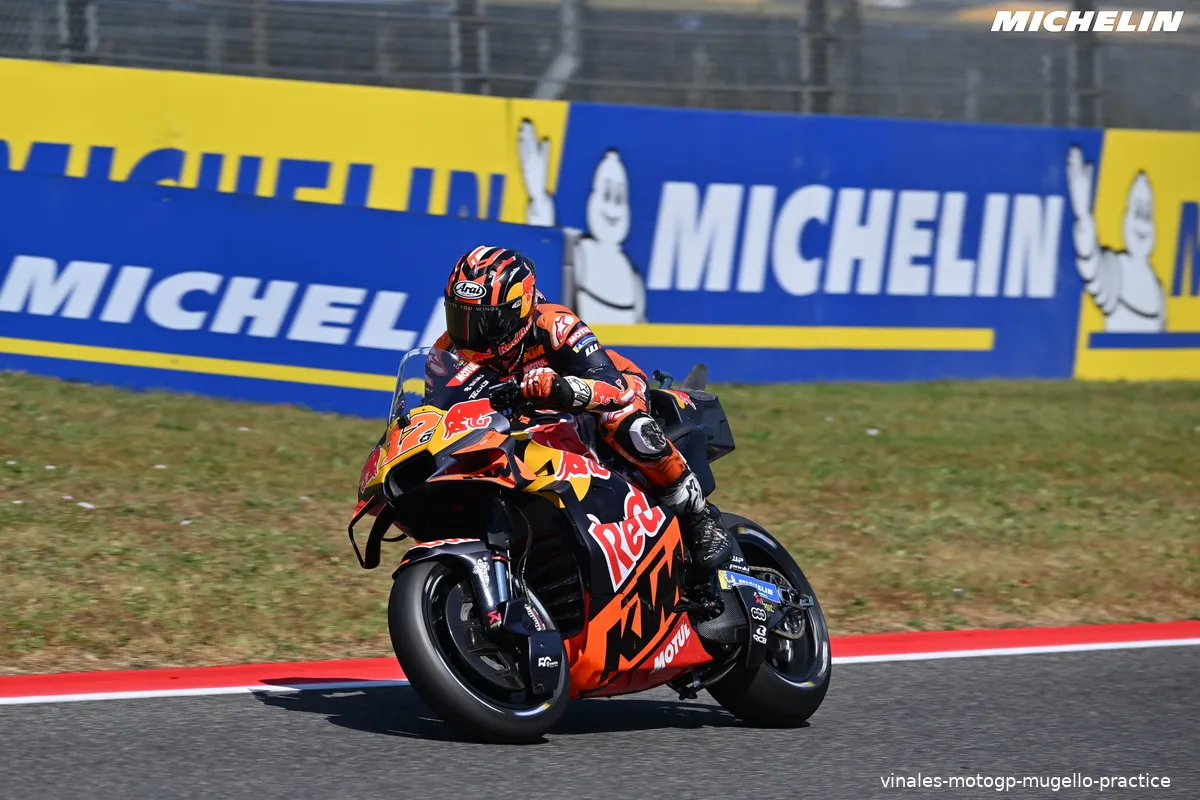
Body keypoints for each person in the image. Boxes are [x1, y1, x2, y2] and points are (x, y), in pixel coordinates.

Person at [435, 245, 732, 575]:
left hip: (605, 394)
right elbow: (438, 413)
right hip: (529, 422)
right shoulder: (447, 349)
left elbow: (612, 386)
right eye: (461, 317)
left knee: (624, 423)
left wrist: (562, 389)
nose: (471, 333)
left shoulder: (554, 324)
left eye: (485, 321)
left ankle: (700, 518)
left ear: (518, 310)